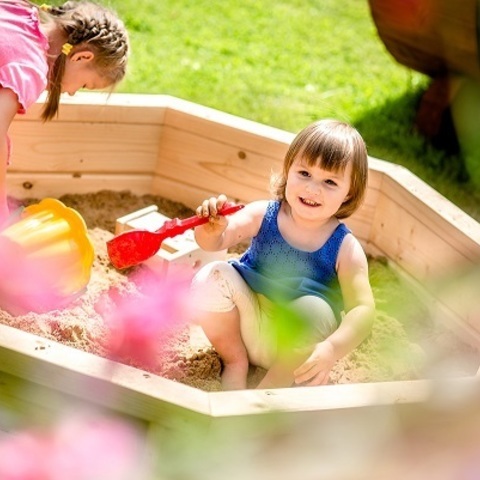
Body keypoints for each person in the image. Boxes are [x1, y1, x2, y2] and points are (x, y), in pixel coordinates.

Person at [190, 119, 376, 390]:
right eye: (304, 173)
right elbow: (218, 240)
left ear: (349, 193)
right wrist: (211, 227)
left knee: (314, 309)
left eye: (329, 182)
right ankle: (235, 361)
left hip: (295, 352)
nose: (312, 189)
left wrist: (332, 349)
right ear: (288, 170)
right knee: (211, 275)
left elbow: (363, 309)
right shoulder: (263, 214)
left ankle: (272, 385)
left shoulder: (345, 248)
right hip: (246, 326)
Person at [0, 0, 129, 224]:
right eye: (84, 85)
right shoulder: (31, 68)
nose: (71, 93)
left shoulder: (17, 10)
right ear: (81, 57)